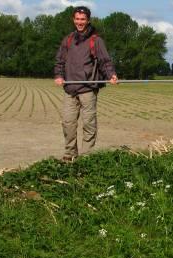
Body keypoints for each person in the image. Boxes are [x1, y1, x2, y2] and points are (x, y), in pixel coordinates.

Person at [54, 6, 118, 162]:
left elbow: (105, 61)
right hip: (70, 88)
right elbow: (60, 61)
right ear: (73, 20)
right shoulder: (68, 40)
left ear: (88, 20)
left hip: (88, 89)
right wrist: (58, 75)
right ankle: (70, 154)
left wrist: (112, 75)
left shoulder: (96, 41)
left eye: (83, 19)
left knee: (89, 124)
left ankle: (86, 157)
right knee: (68, 123)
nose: (80, 22)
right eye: (77, 19)